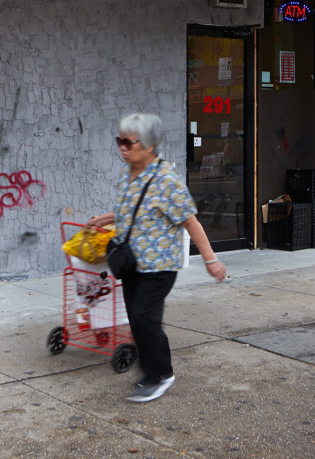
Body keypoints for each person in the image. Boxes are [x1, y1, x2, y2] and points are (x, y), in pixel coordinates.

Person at [85, 113, 227, 403]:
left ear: (149, 145)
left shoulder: (166, 180)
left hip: (159, 266)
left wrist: (211, 260)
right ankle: (152, 371)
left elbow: (190, 221)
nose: (122, 147)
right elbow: (130, 209)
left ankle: (161, 375)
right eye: (120, 141)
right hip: (132, 263)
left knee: (143, 317)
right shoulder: (128, 173)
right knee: (138, 320)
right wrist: (104, 219)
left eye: (129, 142)